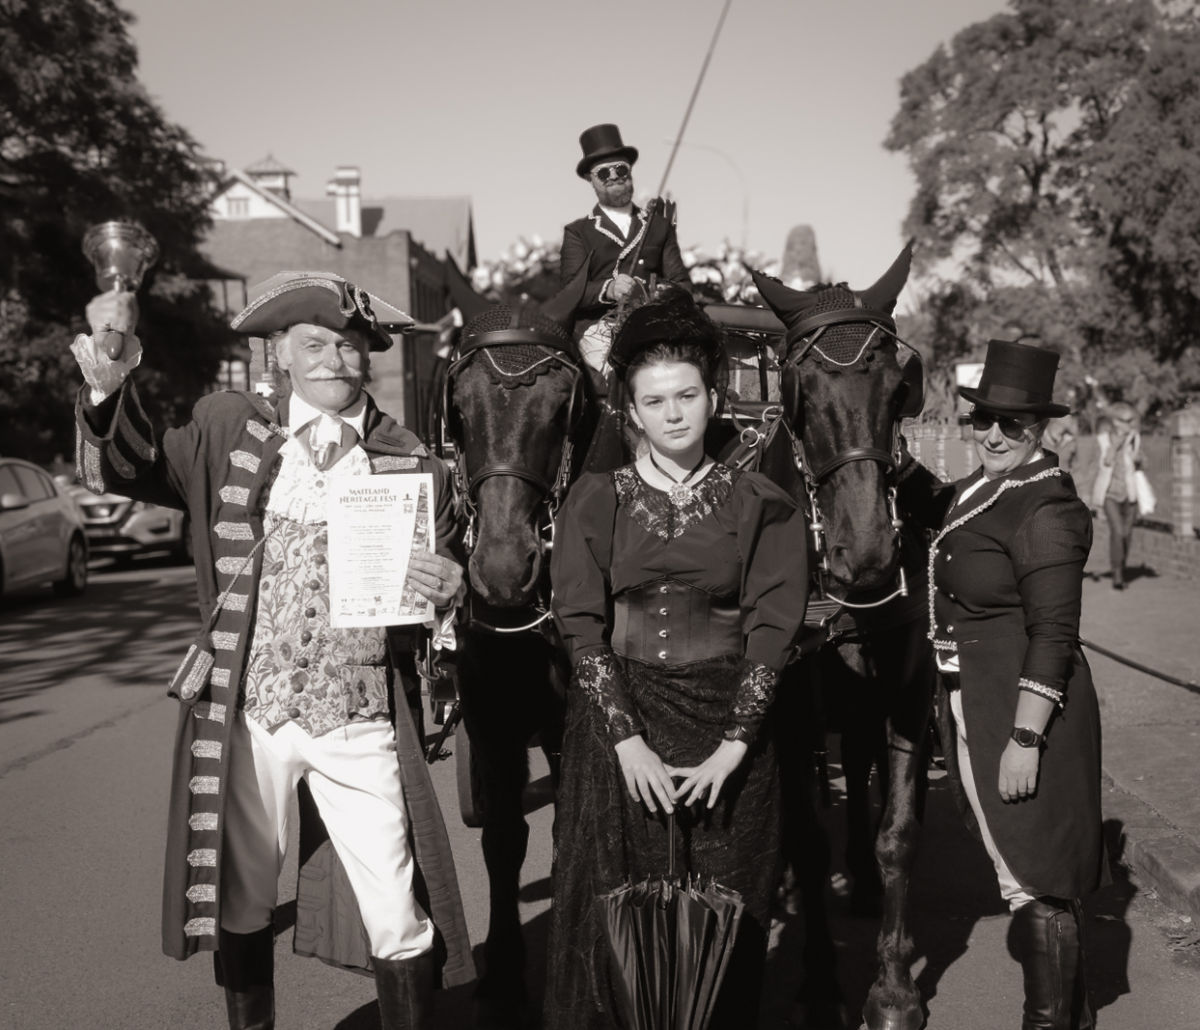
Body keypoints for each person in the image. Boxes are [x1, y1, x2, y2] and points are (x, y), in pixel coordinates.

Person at [70, 272, 473, 1030]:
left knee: (396, 906)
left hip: (358, 718)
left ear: (369, 360)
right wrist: (111, 372)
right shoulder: (229, 430)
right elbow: (131, 468)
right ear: (280, 356)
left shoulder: (413, 463)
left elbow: (445, 591)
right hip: (251, 716)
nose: (333, 359)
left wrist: (449, 587)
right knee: (245, 898)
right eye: (314, 345)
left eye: (350, 347)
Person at [543, 288, 808, 1028]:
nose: (673, 413)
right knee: (618, 918)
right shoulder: (598, 501)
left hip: (728, 732)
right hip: (618, 731)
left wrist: (733, 747)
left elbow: (773, 627)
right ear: (629, 410)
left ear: (712, 396)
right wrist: (625, 741)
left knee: (723, 921)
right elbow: (581, 624)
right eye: (654, 400)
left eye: (686, 394)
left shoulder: (760, 502)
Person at [919, 340, 1106, 1030]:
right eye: (983, 420)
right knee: (1016, 871)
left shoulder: (1047, 511)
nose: (993, 434)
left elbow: (1054, 635)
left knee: (1035, 878)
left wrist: (1026, 737)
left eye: (1013, 424)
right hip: (977, 700)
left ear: (1041, 431)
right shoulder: (982, 488)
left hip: (1024, 710)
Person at [560, 123, 691, 375]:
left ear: (630, 171)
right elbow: (570, 294)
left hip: (655, 323)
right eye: (603, 173)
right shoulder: (578, 232)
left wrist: (661, 293)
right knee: (619, 371)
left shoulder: (659, 226)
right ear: (590, 179)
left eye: (621, 169)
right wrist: (609, 289)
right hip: (599, 329)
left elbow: (683, 284)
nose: (615, 176)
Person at [1090, 401, 1141, 590]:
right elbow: (1105, 462)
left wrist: (1139, 458)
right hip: (1110, 494)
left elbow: (1141, 463)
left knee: (1127, 535)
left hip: (1130, 494)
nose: (1128, 424)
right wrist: (1116, 444)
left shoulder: (1135, 438)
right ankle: (1117, 574)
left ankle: (1121, 565)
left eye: (1130, 420)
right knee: (1118, 532)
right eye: (1124, 420)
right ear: (1114, 421)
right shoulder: (1103, 439)